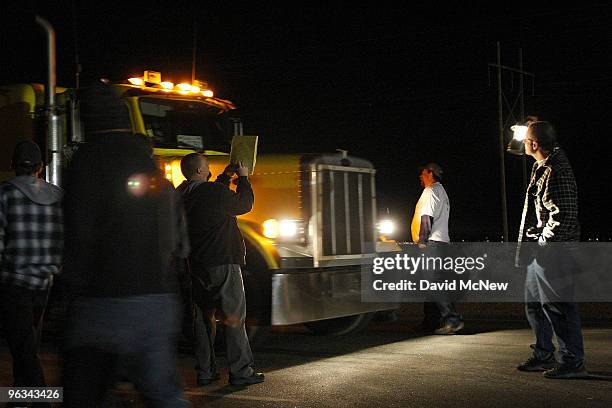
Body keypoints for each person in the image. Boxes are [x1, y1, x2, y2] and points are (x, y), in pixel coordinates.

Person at [61, 81, 190, 406]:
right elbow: (173, 234)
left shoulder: (87, 160)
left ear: (85, 119)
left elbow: (80, 235)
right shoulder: (149, 160)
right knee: (164, 395)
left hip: (104, 302)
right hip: (158, 300)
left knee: (82, 394)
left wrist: (70, 294)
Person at [178, 153, 264, 386]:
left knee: (203, 321)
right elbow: (244, 204)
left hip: (195, 265)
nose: (209, 169)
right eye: (206, 167)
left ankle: (205, 371)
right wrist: (243, 179)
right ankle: (241, 371)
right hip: (223, 262)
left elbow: (209, 196)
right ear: (199, 171)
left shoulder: (182, 194)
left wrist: (225, 177)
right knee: (234, 316)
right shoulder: (212, 193)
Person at [515, 120, 588, 379]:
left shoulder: (556, 170)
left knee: (559, 307)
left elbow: (564, 216)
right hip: (542, 250)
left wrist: (544, 246)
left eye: (526, 140)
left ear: (535, 144)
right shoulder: (542, 166)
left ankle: (572, 361)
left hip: (554, 253)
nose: (522, 143)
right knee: (535, 306)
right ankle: (543, 354)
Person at [0, 141, 63, 403]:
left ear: (13, 165)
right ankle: (20, 395)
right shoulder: (59, 196)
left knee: (22, 345)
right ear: (41, 166)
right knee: (27, 341)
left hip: (14, 281)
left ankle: (39, 397)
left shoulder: (4, 194)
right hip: (46, 282)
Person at [410, 162, 464, 334]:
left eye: (423, 173)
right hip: (440, 244)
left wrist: (422, 241)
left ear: (431, 174)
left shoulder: (431, 191)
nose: (421, 176)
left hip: (432, 244)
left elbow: (427, 218)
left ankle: (452, 320)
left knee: (434, 284)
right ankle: (430, 322)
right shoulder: (441, 191)